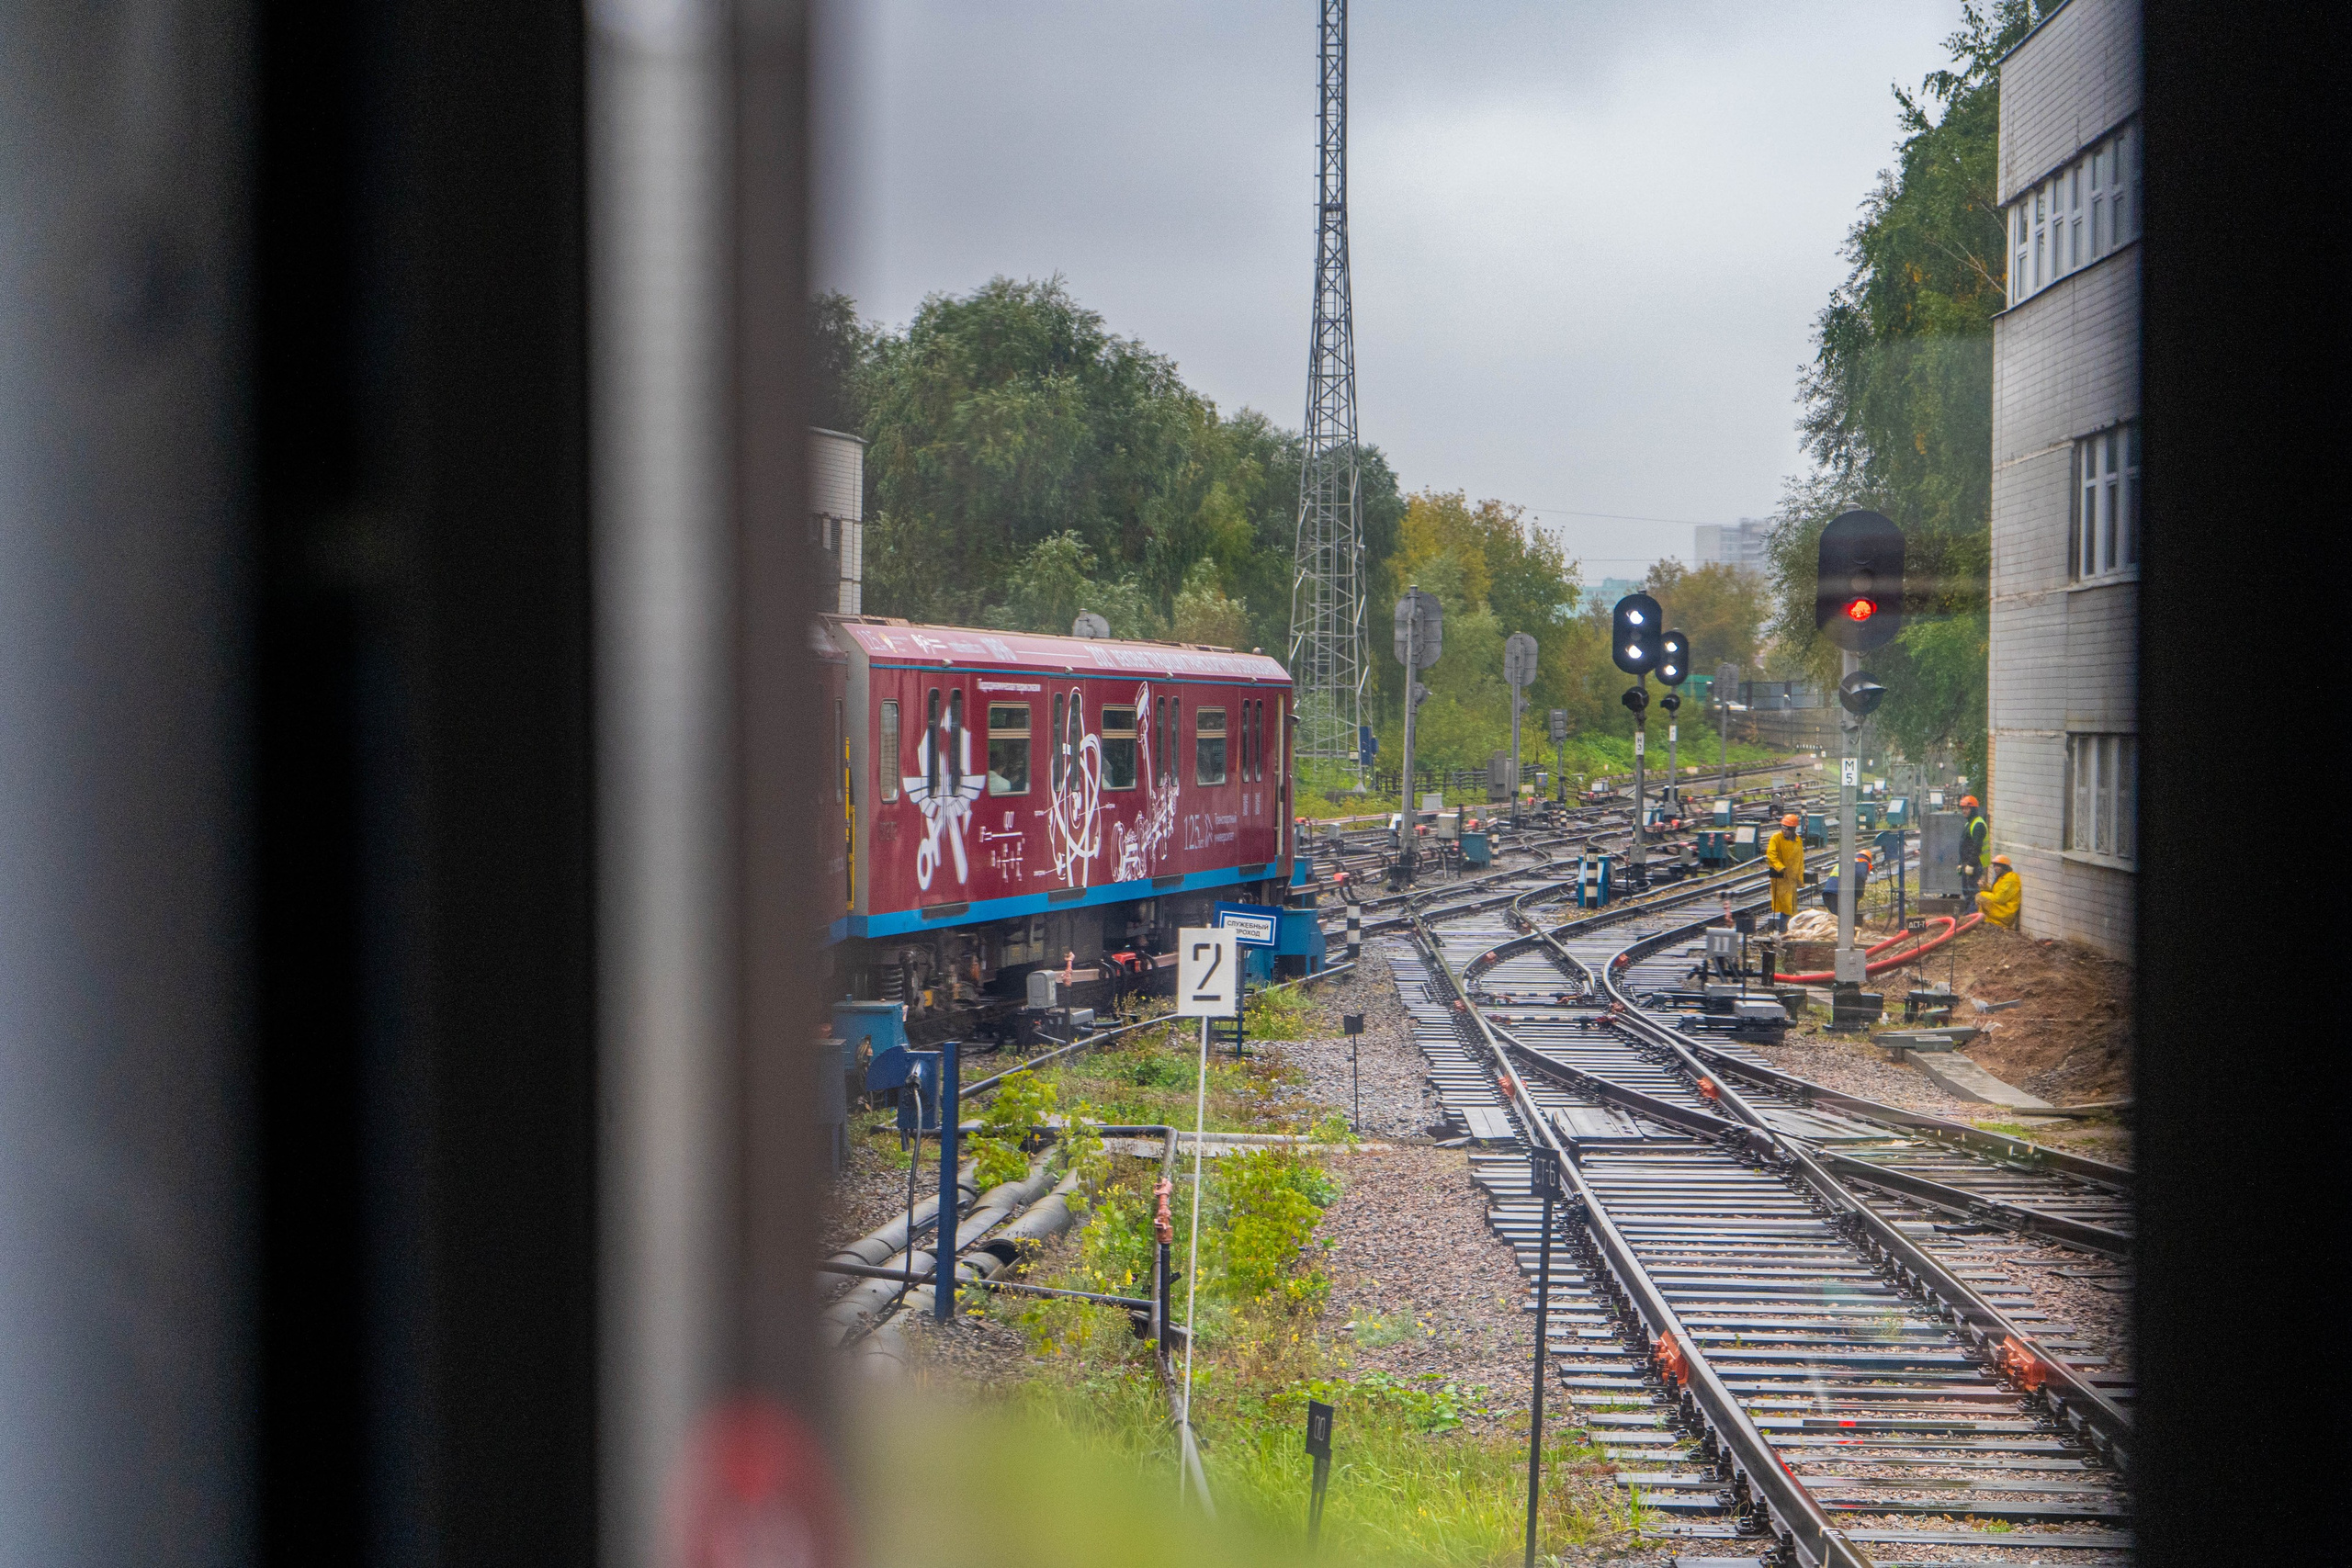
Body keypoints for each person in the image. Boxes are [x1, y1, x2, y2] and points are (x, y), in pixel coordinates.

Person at [1764, 812, 1804, 930]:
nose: (1784, 831)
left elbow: (1800, 860)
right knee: (1787, 907)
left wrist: (1800, 879)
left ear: (1793, 829)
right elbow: (1771, 854)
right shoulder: (1776, 838)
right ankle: (1784, 931)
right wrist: (1780, 867)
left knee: (1791, 907)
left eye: (1787, 829)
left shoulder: (1798, 841)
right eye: (1783, 828)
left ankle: (1787, 930)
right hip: (1781, 878)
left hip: (1792, 878)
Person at [1976, 852, 2021, 930]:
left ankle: (1993, 923)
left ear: (2005, 867)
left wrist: (1982, 894)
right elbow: (1995, 894)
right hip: (2000, 910)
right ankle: (1987, 921)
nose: (1995, 868)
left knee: (1980, 897)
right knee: (1981, 896)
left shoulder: (2010, 880)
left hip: (2005, 914)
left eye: (1998, 866)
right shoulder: (2002, 878)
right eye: (1994, 866)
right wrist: (1985, 887)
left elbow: (1999, 899)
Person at [1958, 795, 1989, 897]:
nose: (1964, 811)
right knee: (1967, 891)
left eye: (1967, 808)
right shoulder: (1970, 824)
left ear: (1973, 809)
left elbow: (1977, 846)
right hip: (1967, 863)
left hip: (1975, 864)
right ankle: (1969, 912)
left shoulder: (1978, 825)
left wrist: (1971, 864)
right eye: (1963, 808)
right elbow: (1965, 845)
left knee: (1972, 893)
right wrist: (1961, 862)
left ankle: (1973, 912)